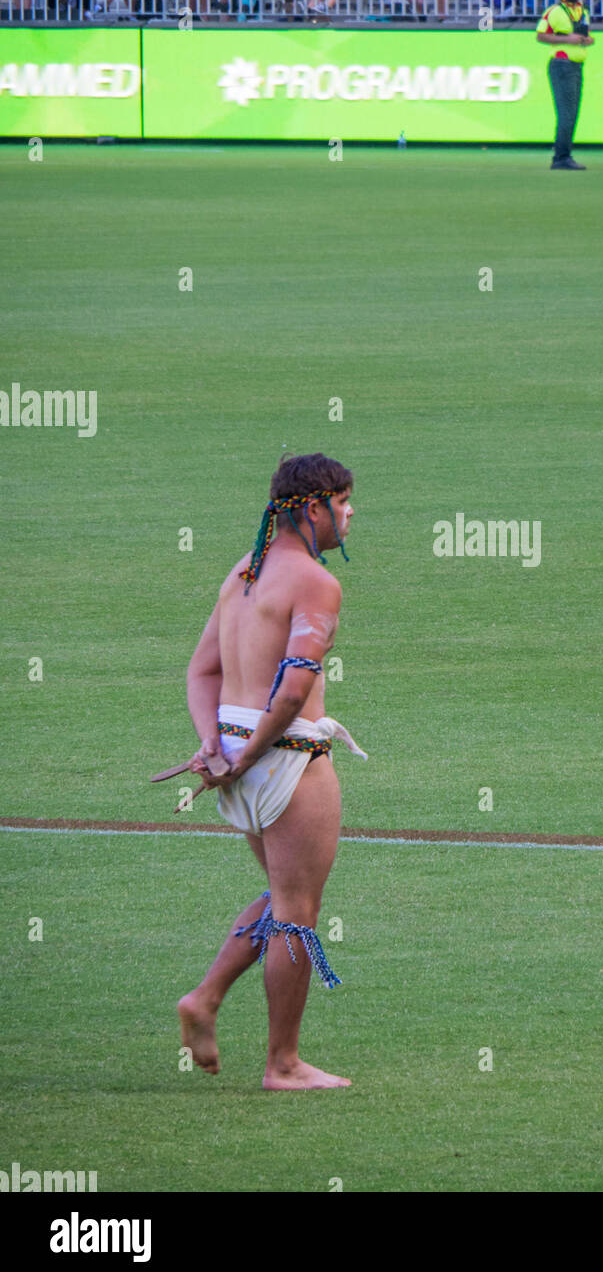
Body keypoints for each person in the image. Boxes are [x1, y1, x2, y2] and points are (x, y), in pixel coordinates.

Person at [180, 453, 362, 1092]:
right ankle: (283, 1064)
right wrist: (249, 754)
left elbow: (200, 673)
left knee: (285, 894)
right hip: (285, 760)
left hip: (240, 757)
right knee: (297, 911)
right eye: (343, 503)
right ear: (313, 507)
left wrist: (218, 748)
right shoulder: (314, 582)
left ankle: (205, 997)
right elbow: (291, 691)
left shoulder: (242, 573)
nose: (349, 515)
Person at [535, 0, 594, 170]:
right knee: (567, 113)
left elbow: (588, 35)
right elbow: (541, 36)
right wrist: (566, 40)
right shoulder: (554, 11)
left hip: (576, 65)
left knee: (571, 112)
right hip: (562, 64)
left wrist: (587, 40)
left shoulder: (582, 12)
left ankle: (563, 155)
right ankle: (561, 156)